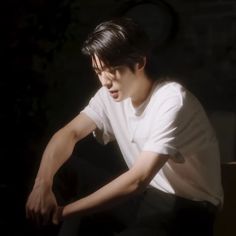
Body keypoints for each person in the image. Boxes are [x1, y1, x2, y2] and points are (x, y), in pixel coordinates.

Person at [26, 17, 223, 235]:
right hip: (146, 196)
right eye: (98, 71)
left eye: (112, 69)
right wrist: (41, 184)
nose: (105, 80)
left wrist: (63, 212)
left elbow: (138, 178)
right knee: (65, 171)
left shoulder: (171, 100)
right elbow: (69, 133)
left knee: (78, 216)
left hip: (189, 209)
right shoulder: (109, 95)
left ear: (139, 62)